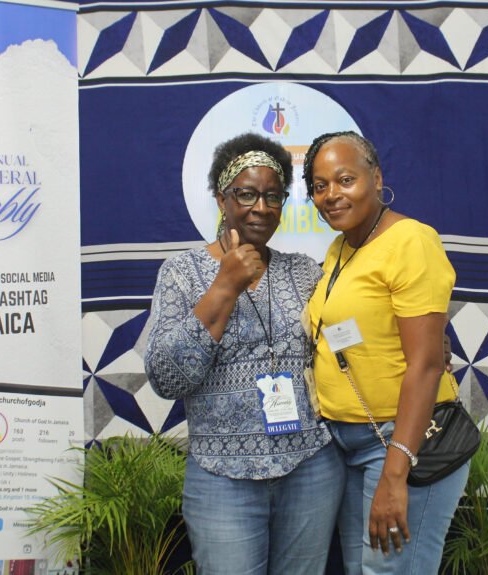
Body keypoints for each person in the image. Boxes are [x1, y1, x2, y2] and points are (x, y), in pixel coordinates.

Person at [144, 133, 343, 574]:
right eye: (247, 193)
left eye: (273, 196)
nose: (261, 206)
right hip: (222, 476)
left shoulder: (304, 271)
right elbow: (166, 378)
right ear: (221, 198)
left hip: (310, 467)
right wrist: (225, 285)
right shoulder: (183, 272)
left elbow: (349, 338)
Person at [303, 131, 469, 574]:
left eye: (344, 179)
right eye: (320, 186)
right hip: (349, 442)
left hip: (400, 442)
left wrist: (397, 470)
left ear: (376, 178)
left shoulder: (410, 240)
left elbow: (427, 363)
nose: (331, 195)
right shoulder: (341, 247)